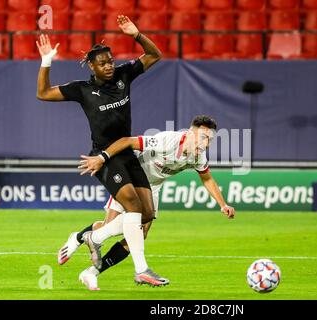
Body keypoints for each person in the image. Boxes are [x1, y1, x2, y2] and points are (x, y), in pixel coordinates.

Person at [36, 15, 167, 286]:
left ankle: (90, 237)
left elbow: (155, 55)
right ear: (92, 66)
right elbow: (44, 93)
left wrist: (136, 34)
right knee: (131, 204)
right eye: (103, 63)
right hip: (103, 158)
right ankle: (142, 270)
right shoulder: (82, 90)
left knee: (146, 215)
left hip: (128, 154)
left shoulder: (123, 75)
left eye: (111, 60)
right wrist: (46, 61)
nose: (109, 66)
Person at [62, 115, 235, 290]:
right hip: (131, 179)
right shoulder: (166, 141)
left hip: (153, 187)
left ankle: (91, 272)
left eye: (210, 140)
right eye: (204, 138)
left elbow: (207, 179)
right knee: (110, 225)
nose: (206, 144)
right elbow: (128, 141)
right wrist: (102, 158)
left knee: (139, 234)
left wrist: (223, 204)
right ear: (190, 133)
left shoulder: (198, 157)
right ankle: (78, 238)